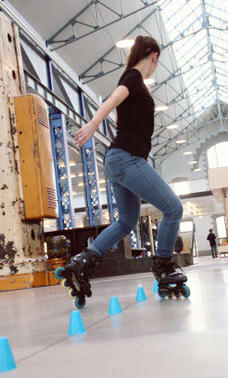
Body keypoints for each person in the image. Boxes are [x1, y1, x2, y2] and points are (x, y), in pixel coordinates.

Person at [61, 36, 187, 301]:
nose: (156, 67)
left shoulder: (134, 82)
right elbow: (113, 99)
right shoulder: (132, 78)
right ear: (154, 56)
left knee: (126, 221)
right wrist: (94, 124)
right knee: (173, 208)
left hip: (118, 159)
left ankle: (84, 260)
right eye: (157, 61)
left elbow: (122, 113)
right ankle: (164, 265)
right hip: (127, 159)